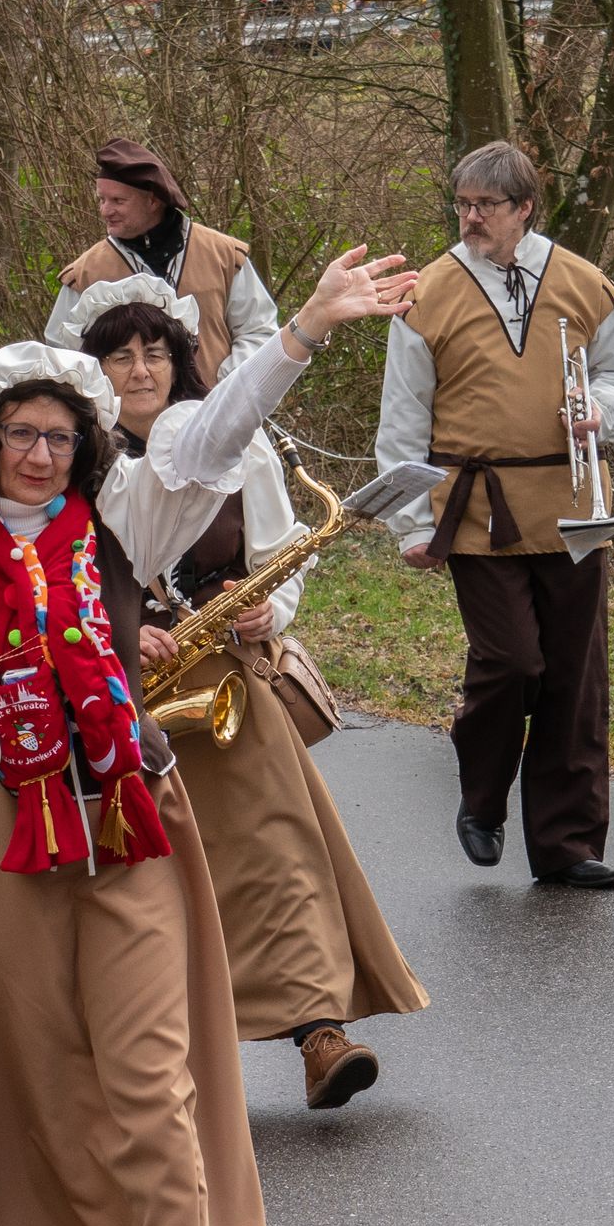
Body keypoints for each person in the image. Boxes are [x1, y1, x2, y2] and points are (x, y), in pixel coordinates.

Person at [0, 245, 416, 1226]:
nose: (44, 454)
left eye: (63, 437)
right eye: (25, 434)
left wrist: (305, 328)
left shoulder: (123, 524)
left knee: (154, 1074)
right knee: (51, 1090)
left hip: (125, 821)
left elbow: (214, 441)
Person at [80, 278, 429, 1107]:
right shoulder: (71, 459)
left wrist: (271, 608)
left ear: (178, 361)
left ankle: (320, 1035)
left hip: (225, 679)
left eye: (153, 352)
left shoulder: (236, 446)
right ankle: (168, 1054)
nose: (138, 370)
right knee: (150, 878)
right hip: (124, 691)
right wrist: (122, 635)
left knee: (281, 855)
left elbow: (283, 549)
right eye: (118, 356)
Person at [375, 140, 614, 888]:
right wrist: (412, 524)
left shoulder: (585, 284)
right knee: (512, 661)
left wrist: (602, 409)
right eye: (461, 204)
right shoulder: (427, 294)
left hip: (575, 504)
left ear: (524, 209)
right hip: (476, 508)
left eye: (485, 206)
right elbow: (402, 420)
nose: (469, 219)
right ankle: (482, 797)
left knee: (574, 676)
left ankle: (568, 845)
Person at [40, 138, 277, 376]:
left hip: (220, 409)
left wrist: (226, 388)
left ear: (153, 200)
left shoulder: (224, 255)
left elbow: (259, 332)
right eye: (102, 199)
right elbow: (62, 358)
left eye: (118, 201)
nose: (105, 210)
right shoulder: (85, 274)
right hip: (124, 413)